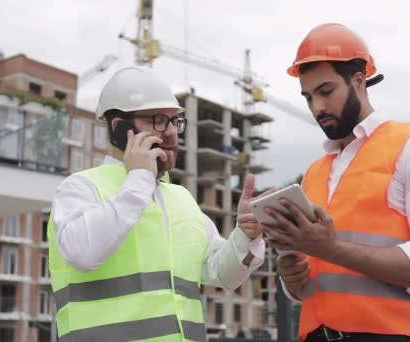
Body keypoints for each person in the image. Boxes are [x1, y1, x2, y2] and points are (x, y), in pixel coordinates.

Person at [262, 23, 410, 342]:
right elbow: (318, 280)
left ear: (358, 82)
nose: (317, 108)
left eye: (326, 92)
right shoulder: (314, 173)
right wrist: (293, 280)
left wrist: (333, 249)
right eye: (308, 97)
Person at [47, 66, 266, 342]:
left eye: (176, 121)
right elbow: (82, 252)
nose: (173, 133)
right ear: (119, 129)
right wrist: (139, 179)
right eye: (159, 120)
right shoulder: (80, 188)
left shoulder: (182, 199)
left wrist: (246, 235)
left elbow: (222, 275)